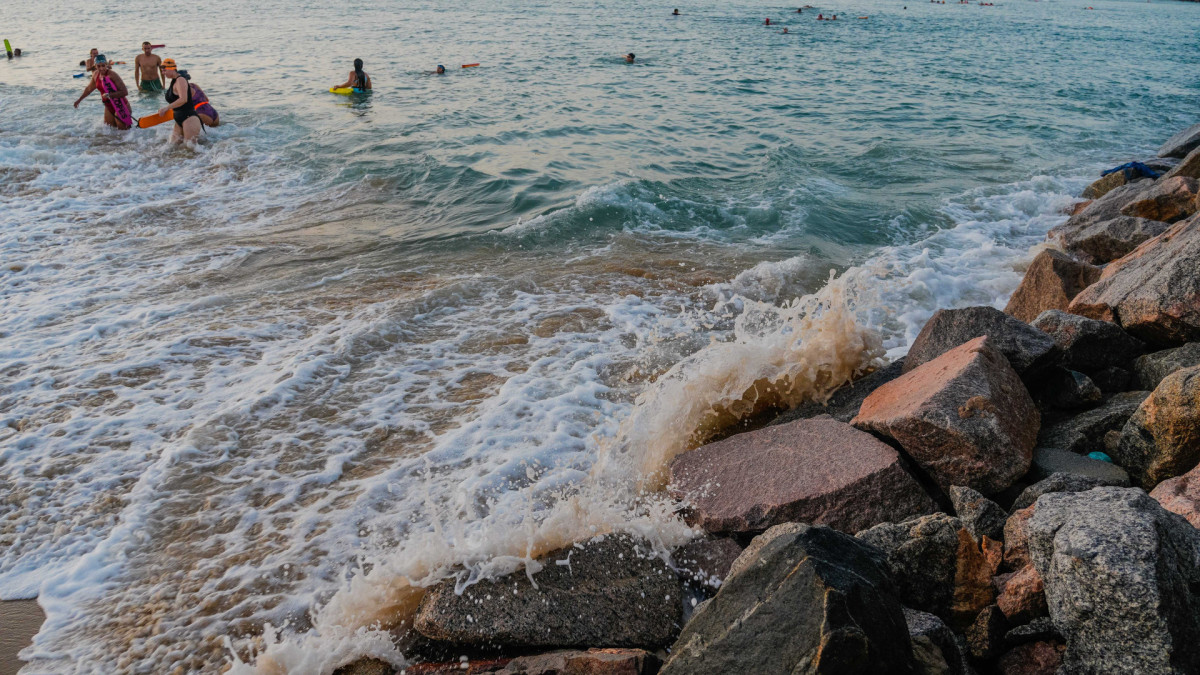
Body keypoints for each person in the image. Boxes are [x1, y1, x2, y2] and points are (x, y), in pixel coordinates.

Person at [73, 55, 131, 129]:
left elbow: (125, 92)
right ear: (95, 66)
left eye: (103, 66)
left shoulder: (112, 75)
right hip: (108, 105)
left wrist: (109, 95)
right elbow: (88, 89)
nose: (101, 68)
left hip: (120, 104)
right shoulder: (96, 75)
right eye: (98, 66)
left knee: (124, 132)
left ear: (106, 65)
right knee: (109, 130)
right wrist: (79, 100)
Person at [157, 58, 203, 144]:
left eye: (164, 70)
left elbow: (183, 99)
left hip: (189, 118)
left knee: (190, 150)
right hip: (179, 119)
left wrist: (166, 108)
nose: (163, 73)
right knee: (173, 147)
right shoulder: (173, 81)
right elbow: (191, 92)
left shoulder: (180, 80)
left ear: (171, 68)